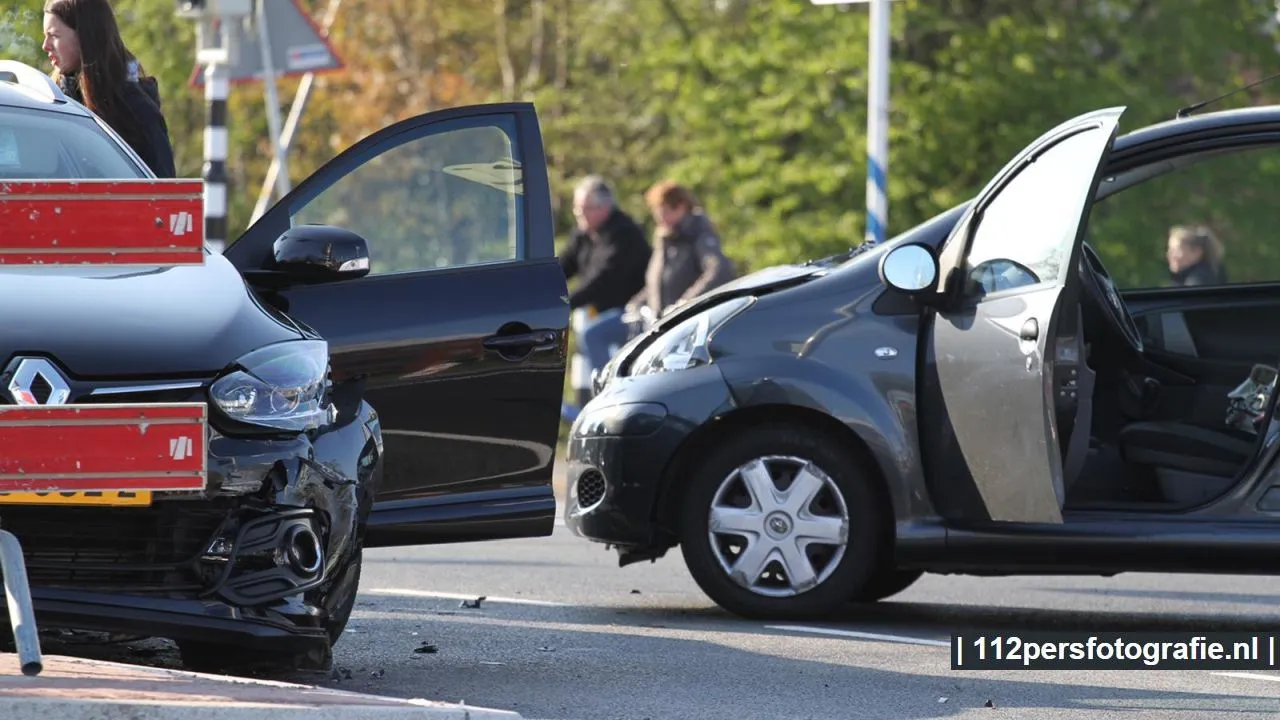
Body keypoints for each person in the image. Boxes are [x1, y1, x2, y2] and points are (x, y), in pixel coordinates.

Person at [41, 0, 176, 178]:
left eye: (54, 36)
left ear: (85, 36)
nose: (45, 46)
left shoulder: (137, 112)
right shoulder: (48, 102)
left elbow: (161, 192)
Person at [559, 175, 651, 370]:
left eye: (585, 209)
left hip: (631, 311)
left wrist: (565, 303)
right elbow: (564, 266)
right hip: (599, 311)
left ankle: (607, 392)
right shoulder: (584, 233)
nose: (579, 214)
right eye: (577, 208)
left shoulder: (624, 234)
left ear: (605, 208)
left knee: (593, 335)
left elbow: (602, 280)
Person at [630, 180, 735, 318]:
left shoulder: (698, 234)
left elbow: (718, 269)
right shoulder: (665, 239)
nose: (660, 218)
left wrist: (686, 303)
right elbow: (661, 282)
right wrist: (638, 303)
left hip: (694, 321)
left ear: (681, 207)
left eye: (665, 211)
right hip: (663, 322)